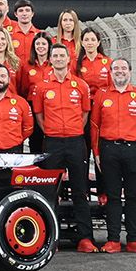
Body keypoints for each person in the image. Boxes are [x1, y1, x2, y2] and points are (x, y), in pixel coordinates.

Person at [31, 49, 95, 251]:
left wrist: (72, 131)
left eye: (62, 56)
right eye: (55, 56)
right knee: (51, 192)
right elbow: (39, 115)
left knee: (80, 191)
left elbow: (85, 114)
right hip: (52, 143)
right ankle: (51, 238)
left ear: (69, 59)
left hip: (76, 142)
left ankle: (85, 238)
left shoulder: (81, 85)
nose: (59, 59)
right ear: (50, 60)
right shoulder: (41, 87)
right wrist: (52, 131)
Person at [92, 57, 136, 253]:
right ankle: (113, 240)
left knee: (133, 196)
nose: (120, 71)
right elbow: (94, 126)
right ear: (110, 72)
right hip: (109, 149)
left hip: (134, 150)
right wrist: (97, 152)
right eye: (116, 68)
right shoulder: (102, 95)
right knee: (113, 196)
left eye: (124, 68)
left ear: (130, 71)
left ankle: (134, 239)